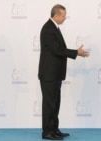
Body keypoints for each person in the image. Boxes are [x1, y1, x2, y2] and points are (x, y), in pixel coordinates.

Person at [38, 4, 90, 140]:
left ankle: (54, 129)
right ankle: (47, 132)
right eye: (63, 15)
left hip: (55, 74)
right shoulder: (48, 28)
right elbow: (57, 50)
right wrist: (76, 52)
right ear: (56, 15)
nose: (65, 18)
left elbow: (58, 49)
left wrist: (75, 52)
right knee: (49, 104)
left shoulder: (54, 28)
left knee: (55, 103)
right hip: (49, 74)